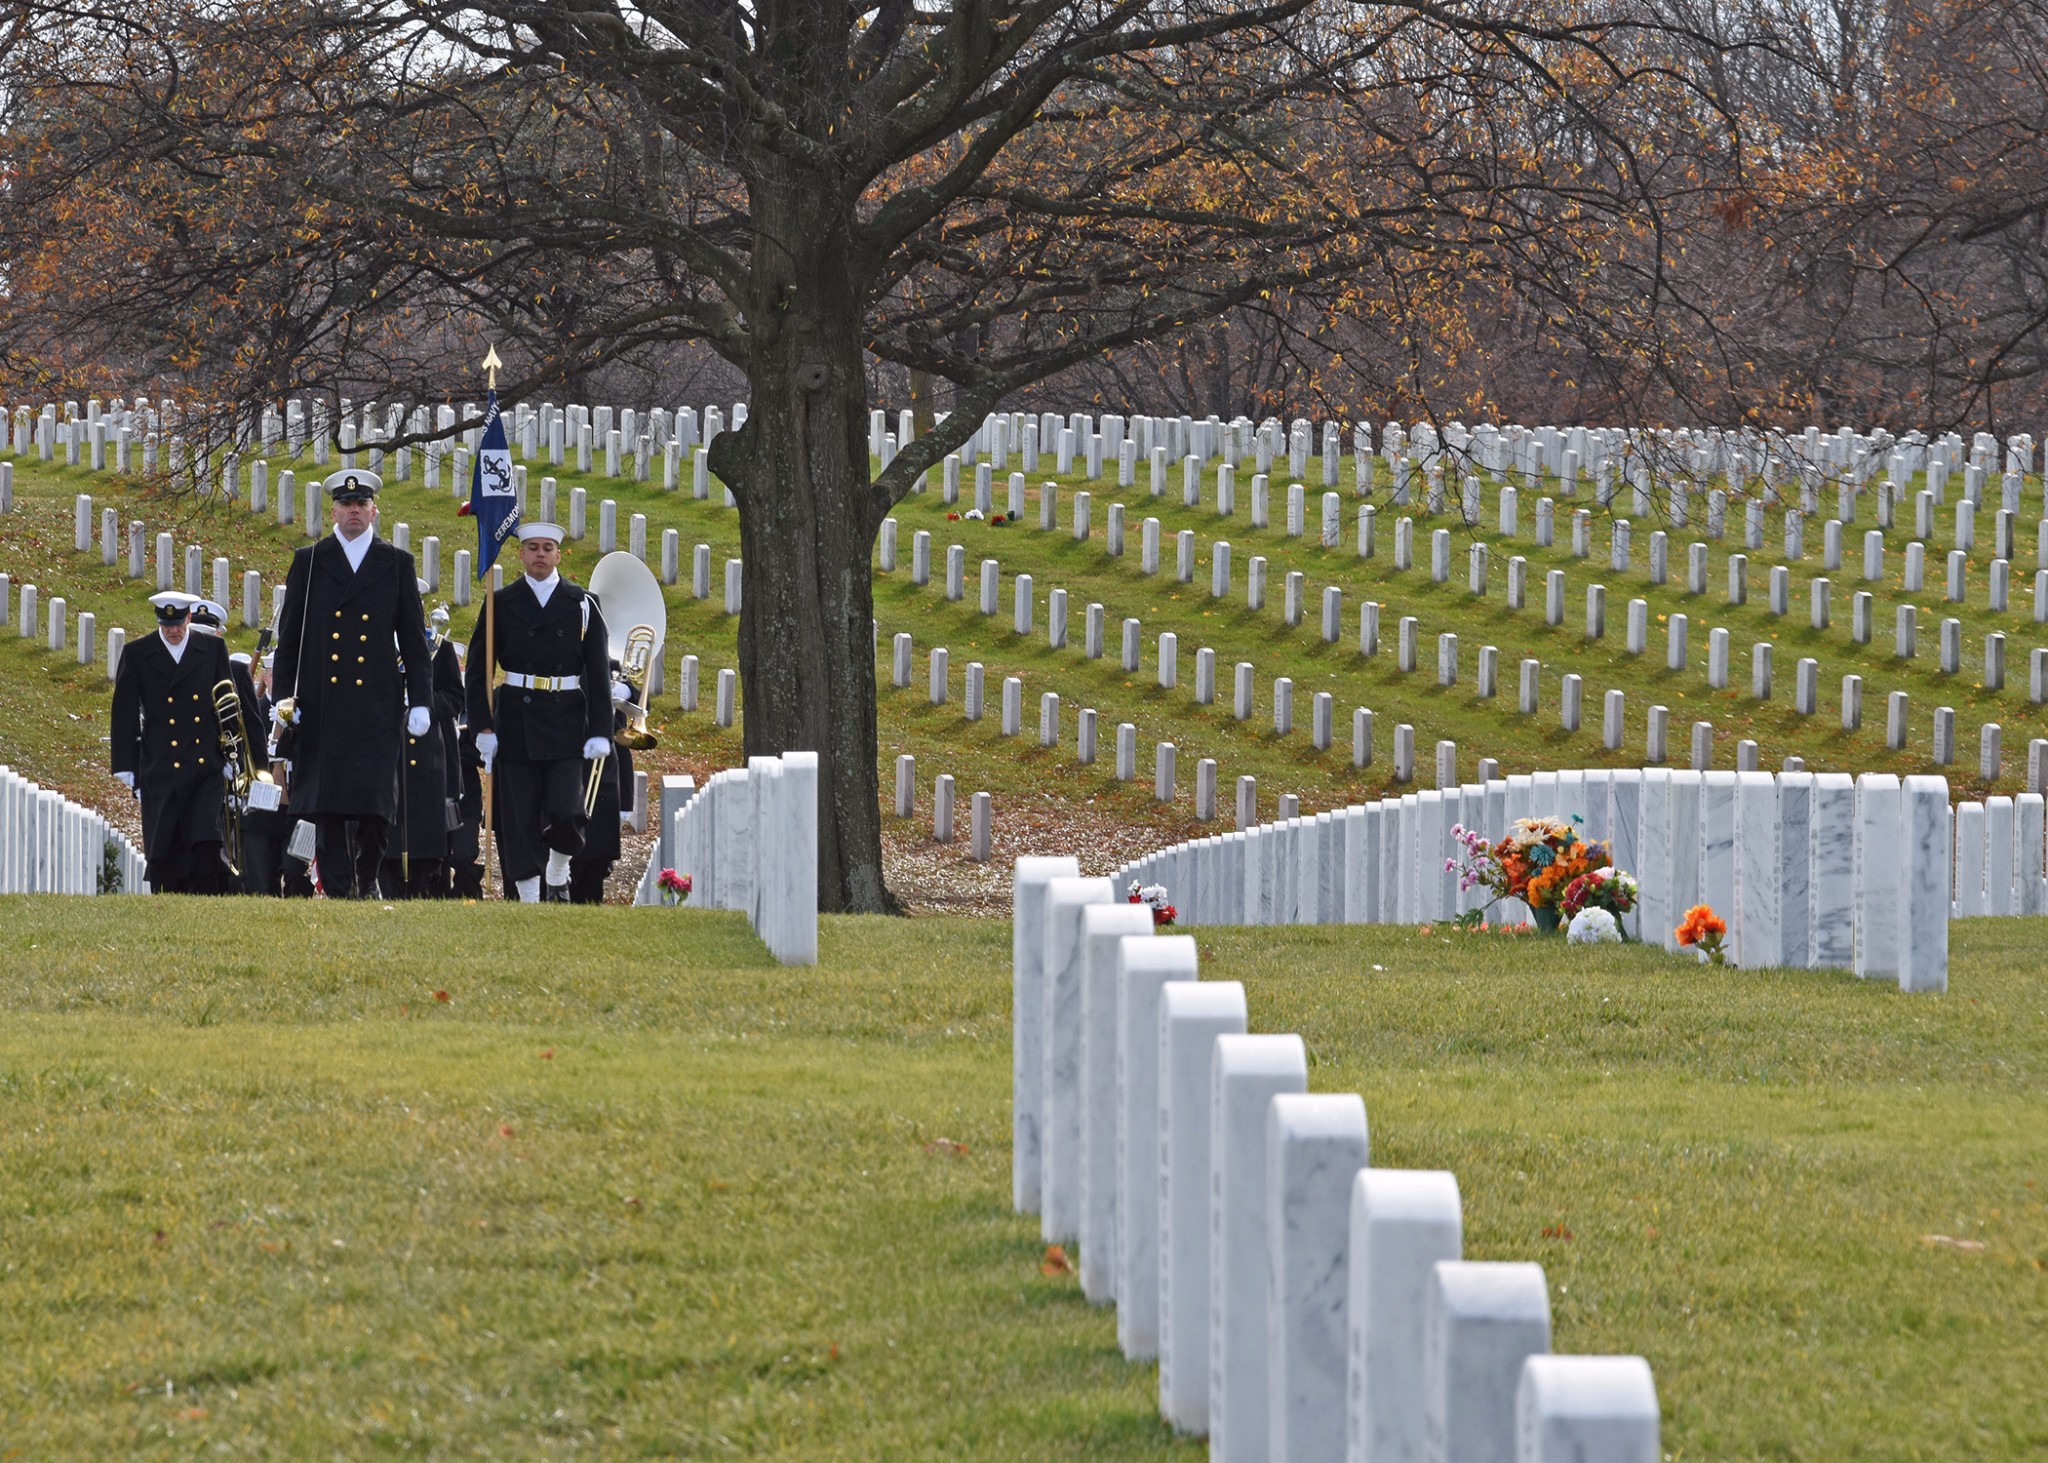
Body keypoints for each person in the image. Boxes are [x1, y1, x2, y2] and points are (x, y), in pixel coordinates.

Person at [271, 467, 433, 898]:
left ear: (374, 511)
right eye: (346, 504)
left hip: (375, 702)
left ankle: (367, 877)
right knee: (327, 805)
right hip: (323, 703)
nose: (354, 511)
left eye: (361, 504)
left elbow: (414, 641)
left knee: (374, 806)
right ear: (334, 512)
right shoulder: (310, 560)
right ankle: (341, 888)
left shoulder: (396, 563)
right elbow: (290, 638)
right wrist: (283, 699)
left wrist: (420, 700)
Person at [464, 521, 612, 903]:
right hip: (515, 719)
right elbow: (480, 670)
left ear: (559, 554)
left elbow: (597, 673)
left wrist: (600, 730)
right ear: (522, 554)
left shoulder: (582, 604)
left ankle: (558, 868)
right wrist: (482, 726)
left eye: (548, 547)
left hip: (566, 722)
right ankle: (529, 897)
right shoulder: (502, 602)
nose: (540, 554)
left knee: (567, 810)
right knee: (519, 817)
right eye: (533, 547)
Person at [108, 590, 234, 893]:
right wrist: (126, 767)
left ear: (188, 618)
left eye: (178, 624)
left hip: (205, 764)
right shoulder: (139, 653)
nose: (173, 631)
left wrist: (232, 754)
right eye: (167, 626)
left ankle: (204, 902)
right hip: (161, 766)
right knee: (165, 846)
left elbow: (228, 703)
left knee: (206, 838)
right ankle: (168, 900)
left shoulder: (212, 648)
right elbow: (124, 711)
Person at [568, 658, 638, 903]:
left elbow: (642, 702)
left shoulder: (612, 665)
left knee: (596, 851)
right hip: (569, 760)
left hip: (606, 767)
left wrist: (626, 690)